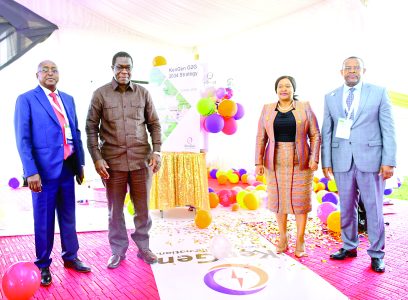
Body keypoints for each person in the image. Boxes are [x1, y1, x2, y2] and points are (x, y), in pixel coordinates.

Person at [14, 60, 91, 286]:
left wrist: (80, 163)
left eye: (54, 69)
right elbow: (23, 139)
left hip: (67, 166)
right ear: (36, 74)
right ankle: (43, 264)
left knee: (68, 217)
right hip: (42, 173)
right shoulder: (26, 99)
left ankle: (71, 257)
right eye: (45, 70)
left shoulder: (68, 99)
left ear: (59, 74)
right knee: (44, 220)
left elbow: (75, 131)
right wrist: (30, 172)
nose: (50, 73)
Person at [86, 51, 162, 269]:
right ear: (112, 68)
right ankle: (118, 251)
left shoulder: (143, 93)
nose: (124, 71)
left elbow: (154, 124)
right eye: (119, 67)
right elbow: (90, 127)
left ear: (132, 69)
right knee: (115, 210)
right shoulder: (100, 94)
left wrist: (157, 151)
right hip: (113, 163)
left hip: (141, 161)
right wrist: (97, 158)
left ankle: (143, 246)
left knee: (143, 208)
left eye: (127, 67)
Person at [321, 56, 397, 273]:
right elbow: (327, 130)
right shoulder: (331, 97)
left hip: (371, 160)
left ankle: (376, 254)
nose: (352, 71)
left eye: (356, 68)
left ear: (364, 70)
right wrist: (326, 161)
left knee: (374, 209)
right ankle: (349, 246)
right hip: (341, 160)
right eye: (348, 68)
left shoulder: (378, 92)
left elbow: (389, 128)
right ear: (341, 72)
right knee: (346, 208)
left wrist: (389, 161)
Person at [255, 75, 321, 258]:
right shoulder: (267, 109)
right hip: (274, 162)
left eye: (288, 86)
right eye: (280, 86)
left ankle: (300, 239)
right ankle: (282, 237)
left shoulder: (304, 107)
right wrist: (258, 161)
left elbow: (315, 134)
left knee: (300, 202)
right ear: (276, 90)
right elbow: (261, 137)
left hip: (302, 162)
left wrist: (314, 158)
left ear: (294, 89)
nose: (284, 89)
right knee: (279, 202)